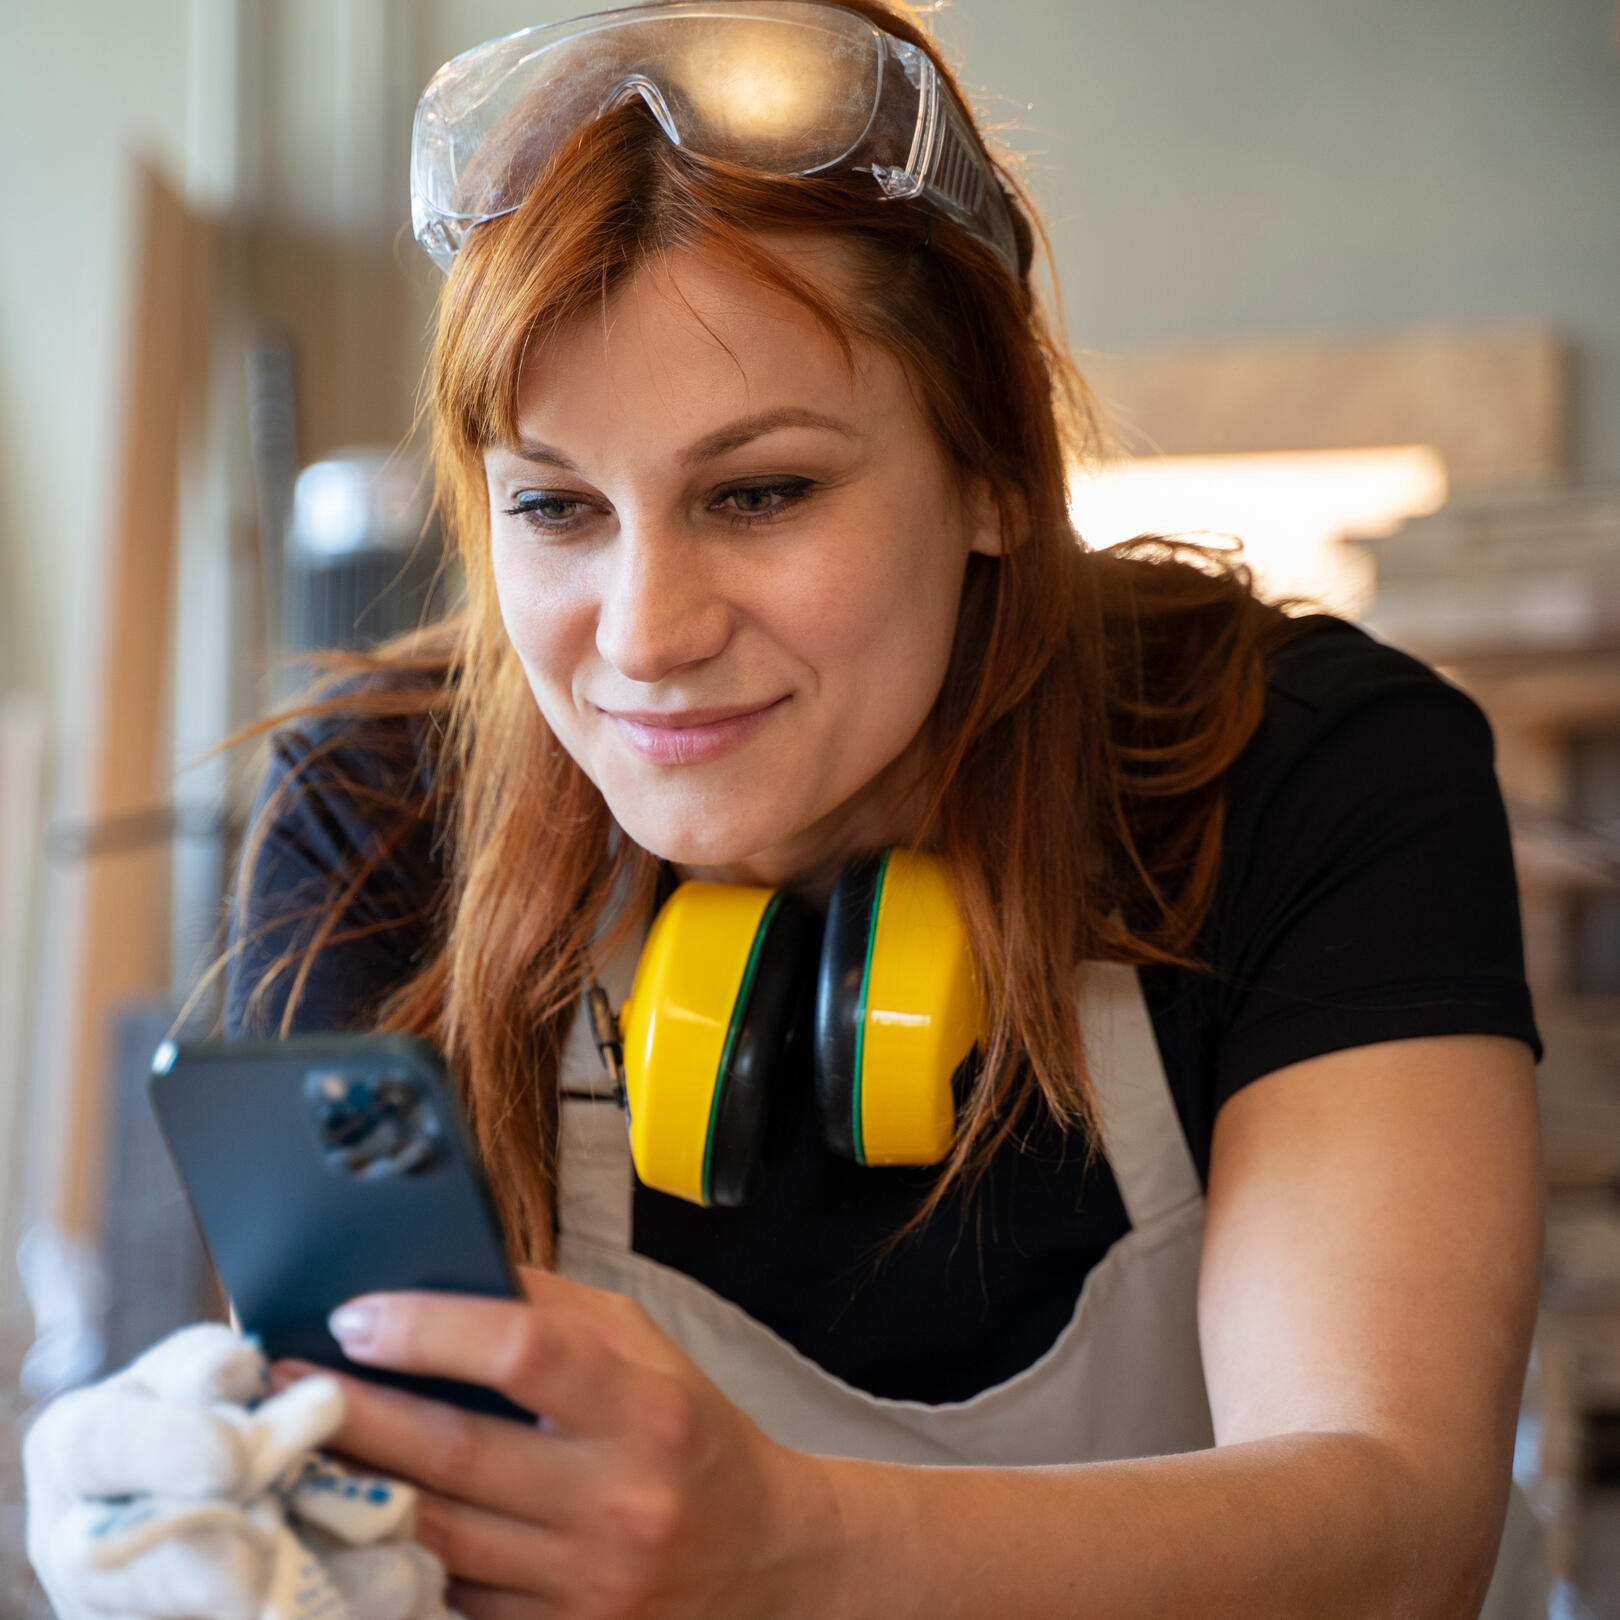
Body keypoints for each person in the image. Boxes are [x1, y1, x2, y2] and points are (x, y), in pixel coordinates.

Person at [39, 3, 1549, 1616]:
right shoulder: (381, 811)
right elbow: (381, 1490)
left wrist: (789, 1549)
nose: (645, 634)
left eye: (760, 493)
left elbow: (1399, 1539)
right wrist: (246, 1536)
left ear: (992, 472)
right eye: (555, 504)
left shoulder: (1307, 768)